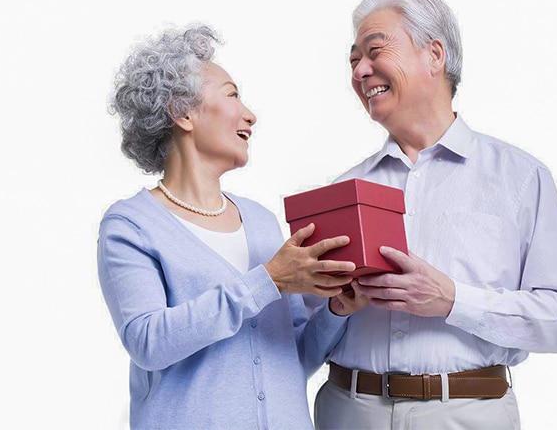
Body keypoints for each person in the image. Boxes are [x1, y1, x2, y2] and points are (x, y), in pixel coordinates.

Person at [313, 0, 557, 430]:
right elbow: (303, 341)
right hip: (349, 412)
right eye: (353, 61)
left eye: (375, 50)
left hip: (468, 416)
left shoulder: (519, 177)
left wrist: (453, 300)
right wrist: (335, 310)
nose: (361, 71)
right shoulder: (342, 190)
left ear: (435, 54)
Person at [97, 25, 365, 429]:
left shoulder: (260, 220)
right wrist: (268, 281)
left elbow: (292, 358)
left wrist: (335, 311)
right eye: (232, 94)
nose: (250, 114)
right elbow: (148, 342)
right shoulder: (131, 225)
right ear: (181, 112)